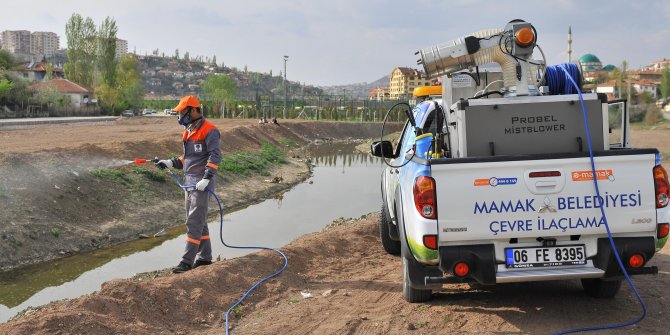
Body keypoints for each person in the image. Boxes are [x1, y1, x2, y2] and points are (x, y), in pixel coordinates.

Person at [155, 95, 222, 273]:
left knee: (193, 222)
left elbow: (215, 156)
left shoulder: (210, 130)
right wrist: (170, 163)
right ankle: (205, 258)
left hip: (202, 182)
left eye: (182, 112)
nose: (180, 116)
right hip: (189, 182)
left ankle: (186, 261)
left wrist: (207, 177)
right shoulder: (188, 131)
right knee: (199, 222)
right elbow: (189, 158)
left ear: (193, 110)